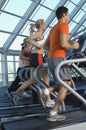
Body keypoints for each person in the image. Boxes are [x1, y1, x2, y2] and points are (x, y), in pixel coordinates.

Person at [43, 6, 79, 122]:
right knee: (65, 85)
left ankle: (49, 90)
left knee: (66, 82)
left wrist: (54, 51)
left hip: (51, 58)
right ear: (64, 14)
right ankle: (53, 113)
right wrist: (74, 45)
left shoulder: (53, 28)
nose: (68, 17)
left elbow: (45, 46)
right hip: (58, 58)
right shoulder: (63, 25)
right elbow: (64, 43)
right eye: (67, 15)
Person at [13, 19, 55, 107]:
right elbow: (28, 39)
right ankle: (48, 100)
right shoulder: (38, 34)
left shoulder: (41, 35)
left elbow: (44, 47)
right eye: (44, 24)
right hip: (37, 57)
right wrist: (38, 45)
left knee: (32, 80)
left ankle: (16, 93)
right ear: (41, 25)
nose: (46, 25)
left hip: (35, 57)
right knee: (46, 77)